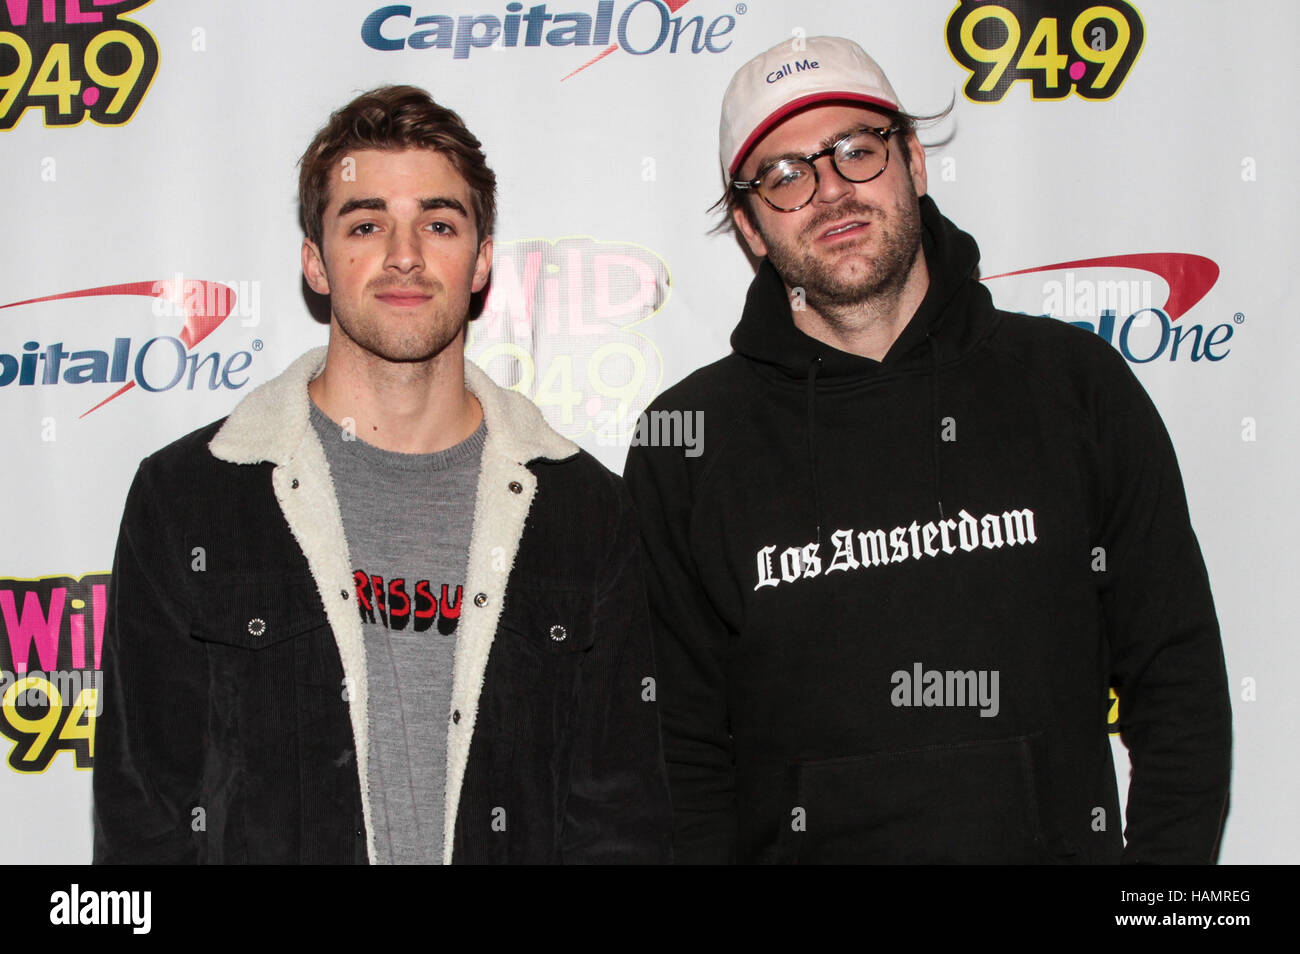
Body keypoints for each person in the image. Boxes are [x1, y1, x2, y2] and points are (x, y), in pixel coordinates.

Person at [622, 37, 1232, 864]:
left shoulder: (1074, 385)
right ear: (750, 226)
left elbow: (1180, 685)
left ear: (913, 159)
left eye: (856, 151)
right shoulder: (684, 445)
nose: (831, 190)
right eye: (786, 175)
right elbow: (677, 756)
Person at [93, 85, 671, 864]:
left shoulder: (584, 510)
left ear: (482, 262)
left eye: (438, 223)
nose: (405, 255)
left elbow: (620, 824)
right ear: (316, 262)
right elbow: (147, 822)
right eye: (366, 224)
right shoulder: (189, 498)